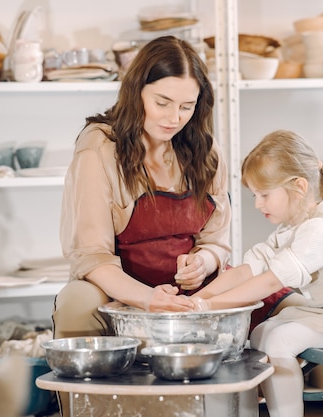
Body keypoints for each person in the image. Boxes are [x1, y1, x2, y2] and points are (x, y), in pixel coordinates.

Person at [190, 130, 323, 417]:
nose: (257, 204)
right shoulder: (293, 226)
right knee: (261, 332)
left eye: (264, 194)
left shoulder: (322, 229)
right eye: (255, 195)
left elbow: (269, 281)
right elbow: (246, 271)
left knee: (280, 340)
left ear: (299, 186)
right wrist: (193, 303)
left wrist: (207, 307)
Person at [53, 35, 232, 338]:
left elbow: (217, 241)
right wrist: (148, 298)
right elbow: (91, 256)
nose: (174, 118)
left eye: (187, 107)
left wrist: (202, 262)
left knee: (276, 299)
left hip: (189, 291)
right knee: (76, 302)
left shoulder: (206, 150)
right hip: (119, 289)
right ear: (136, 92)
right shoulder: (99, 148)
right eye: (162, 103)